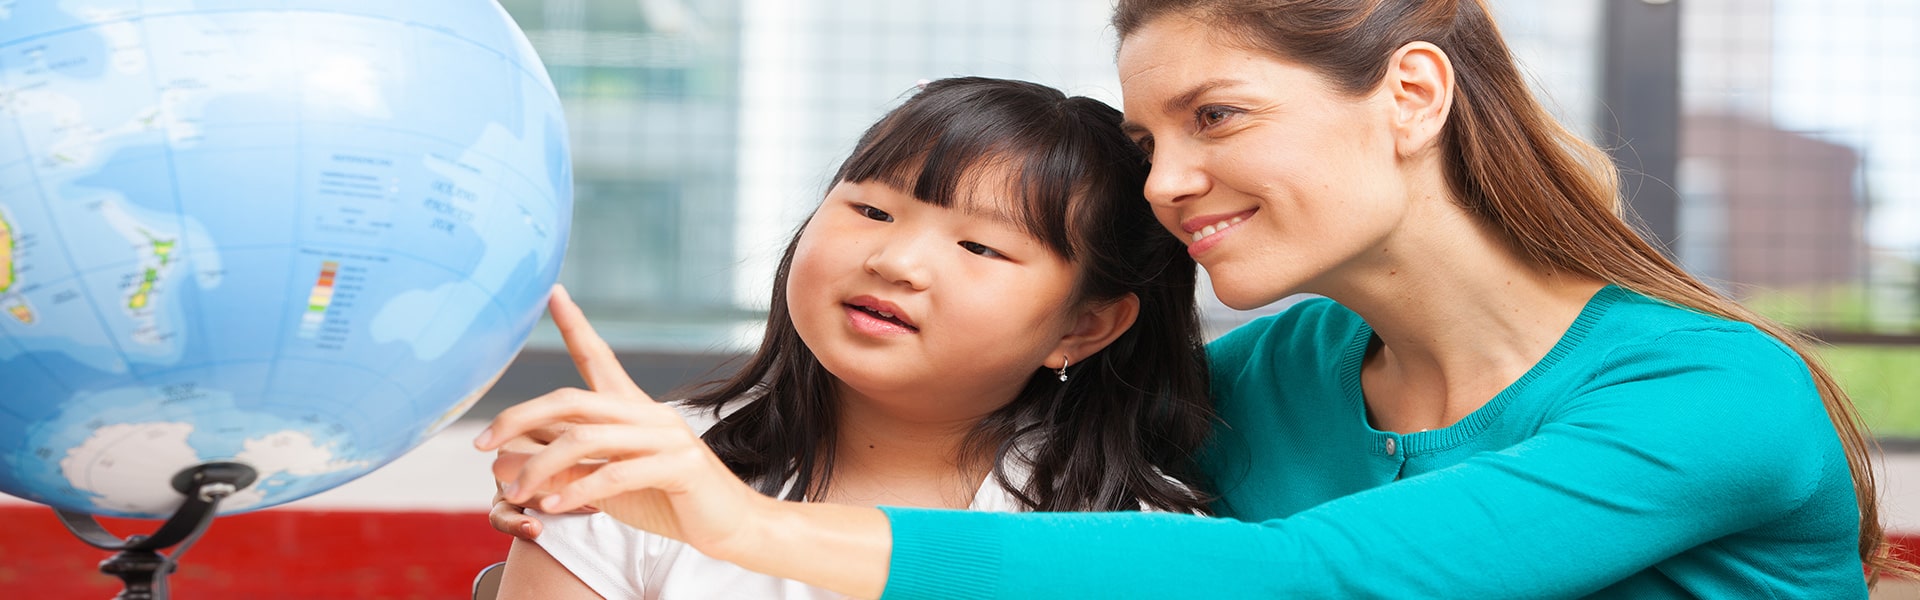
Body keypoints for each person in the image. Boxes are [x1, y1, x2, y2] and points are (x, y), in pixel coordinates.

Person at [483, 1, 1915, 597]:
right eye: (1152, 138)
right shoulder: (1274, 372)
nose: (1168, 182)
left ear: (1410, 95)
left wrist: (743, 526)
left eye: (1217, 117)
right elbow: (991, 418)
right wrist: (627, 491)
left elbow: (1302, 583)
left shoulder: (1708, 395)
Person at [478, 76, 1215, 599]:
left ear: (1083, 326)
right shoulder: (633, 473)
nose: (894, 262)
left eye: (980, 248)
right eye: (872, 211)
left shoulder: (1139, 542)